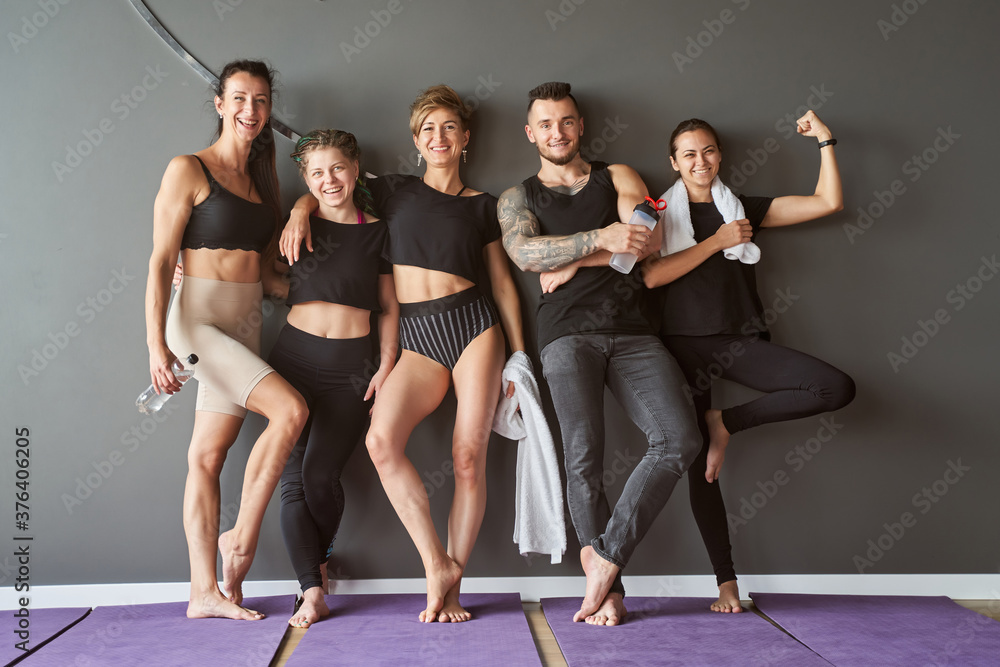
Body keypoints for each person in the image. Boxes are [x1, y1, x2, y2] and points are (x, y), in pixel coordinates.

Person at [281, 85, 525, 623]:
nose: (439, 137)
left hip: (473, 325)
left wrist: (521, 356)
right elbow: (327, 186)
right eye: (428, 129)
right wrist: (299, 210)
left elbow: (504, 283)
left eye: (449, 128)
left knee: (468, 457)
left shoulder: (484, 205)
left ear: (465, 139)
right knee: (381, 442)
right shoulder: (392, 190)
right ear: (416, 141)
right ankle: (435, 562)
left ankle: (454, 591)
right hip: (417, 335)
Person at [497, 82, 701, 626]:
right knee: (583, 458)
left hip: (635, 332)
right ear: (530, 132)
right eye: (545, 124)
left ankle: (606, 558)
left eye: (566, 121)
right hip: (565, 335)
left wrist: (575, 260)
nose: (556, 132)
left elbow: (646, 240)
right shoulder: (517, 198)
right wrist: (600, 238)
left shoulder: (620, 175)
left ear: (580, 125)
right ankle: (610, 593)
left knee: (679, 438)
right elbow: (524, 253)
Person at [640, 113, 856, 612]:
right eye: (689, 154)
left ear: (720, 156)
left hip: (737, 341)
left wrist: (825, 139)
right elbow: (651, 277)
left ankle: (725, 423)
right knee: (700, 471)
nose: (701, 161)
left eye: (709, 151)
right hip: (676, 347)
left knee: (834, 388)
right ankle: (726, 584)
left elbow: (829, 202)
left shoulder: (742, 209)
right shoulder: (655, 211)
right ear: (674, 163)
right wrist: (718, 240)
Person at [144, 59, 307, 621]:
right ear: (220, 104)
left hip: (243, 326)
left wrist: (330, 289)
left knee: (207, 457)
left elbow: (267, 278)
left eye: (261, 101)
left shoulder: (265, 183)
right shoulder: (189, 169)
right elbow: (162, 261)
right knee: (289, 410)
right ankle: (239, 539)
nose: (250, 111)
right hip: (195, 324)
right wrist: (155, 346)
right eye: (239, 99)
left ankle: (202, 593)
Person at [274, 130, 398, 628]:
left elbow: (390, 306)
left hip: (352, 366)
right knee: (290, 482)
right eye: (317, 174)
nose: (329, 180)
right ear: (306, 179)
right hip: (292, 360)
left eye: (338, 169)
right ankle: (312, 589)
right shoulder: (296, 226)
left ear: (355, 168)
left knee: (319, 477)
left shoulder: (380, 231)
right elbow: (250, 273)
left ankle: (318, 563)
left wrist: (386, 365)